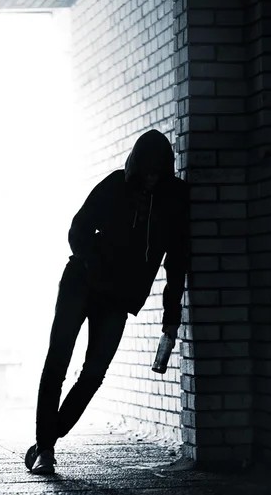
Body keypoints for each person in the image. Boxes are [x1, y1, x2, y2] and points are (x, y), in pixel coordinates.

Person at [25, 129, 190, 474]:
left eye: (158, 173)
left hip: (117, 298)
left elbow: (177, 263)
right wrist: (95, 264)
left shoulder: (174, 200)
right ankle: (46, 451)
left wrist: (170, 320)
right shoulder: (116, 185)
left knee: (94, 373)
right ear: (135, 166)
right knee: (57, 361)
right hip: (81, 283)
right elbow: (78, 229)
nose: (150, 179)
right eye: (146, 171)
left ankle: (47, 438)